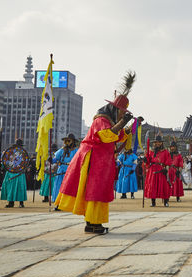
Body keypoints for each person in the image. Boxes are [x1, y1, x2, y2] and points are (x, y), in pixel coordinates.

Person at [55, 72, 135, 234]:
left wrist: (126, 127)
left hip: (100, 160)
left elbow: (116, 137)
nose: (121, 114)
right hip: (92, 160)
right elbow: (105, 136)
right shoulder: (101, 120)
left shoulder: (109, 122)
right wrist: (121, 123)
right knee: (94, 190)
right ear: (113, 109)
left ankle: (93, 222)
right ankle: (93, 223)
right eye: (120, 111)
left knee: (98, 190)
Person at [51, 134, 78, 208]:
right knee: (59, 187)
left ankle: (71, 205)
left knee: (70, 188)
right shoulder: (61, 150)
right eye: (66, 141)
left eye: (69, 141)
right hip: (61, 171)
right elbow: (55, 159)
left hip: (71, 172)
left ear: (73, 142)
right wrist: (51, 160)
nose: (67, 142)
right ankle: (58, 204)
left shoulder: (76, 151)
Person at [1, 139, 29, 208]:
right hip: (12, 172)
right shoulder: (11, 152)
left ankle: (19, 203)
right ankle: (12, 202)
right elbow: (6, 161)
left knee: (18, 187)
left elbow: (25, 162)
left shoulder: (22, 153)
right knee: (16, 187)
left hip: (18, 172)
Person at [145, 135, 172, 207]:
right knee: (152, 186)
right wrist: (145, 160)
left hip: (161, 169)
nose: (157, 143)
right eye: (156, 142)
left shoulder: (166, 152)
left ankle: (166, 202)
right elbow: (148, 162)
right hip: (153, 170)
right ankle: (153, 202)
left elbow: (168, 161)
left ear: (161, 143)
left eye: (159, 142)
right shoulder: (151, 151)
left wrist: (166, 169)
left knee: (164, 186)